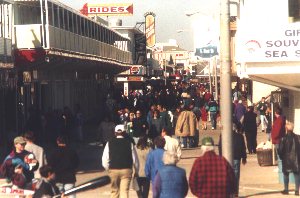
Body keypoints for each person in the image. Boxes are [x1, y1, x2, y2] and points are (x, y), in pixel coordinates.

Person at [102, 124, 139, 198]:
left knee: (114, 192)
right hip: (126, 169)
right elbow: (135, 160)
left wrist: (108, 169)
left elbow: (105, 159)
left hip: (113, 169)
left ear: (115, 133)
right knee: (124, 192)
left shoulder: (109, 143)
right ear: (125, 132)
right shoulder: (130, 143)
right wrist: (136, 171)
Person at [278, 122, 300, 195]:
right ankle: (297, 190)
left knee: (286, 174)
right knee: (296, 174)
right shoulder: (298, 137)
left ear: (286, 129)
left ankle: (286, 189)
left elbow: (280, 150)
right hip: (296, 159)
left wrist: (281, 157)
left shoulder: (283, 138)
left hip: (286, 159)